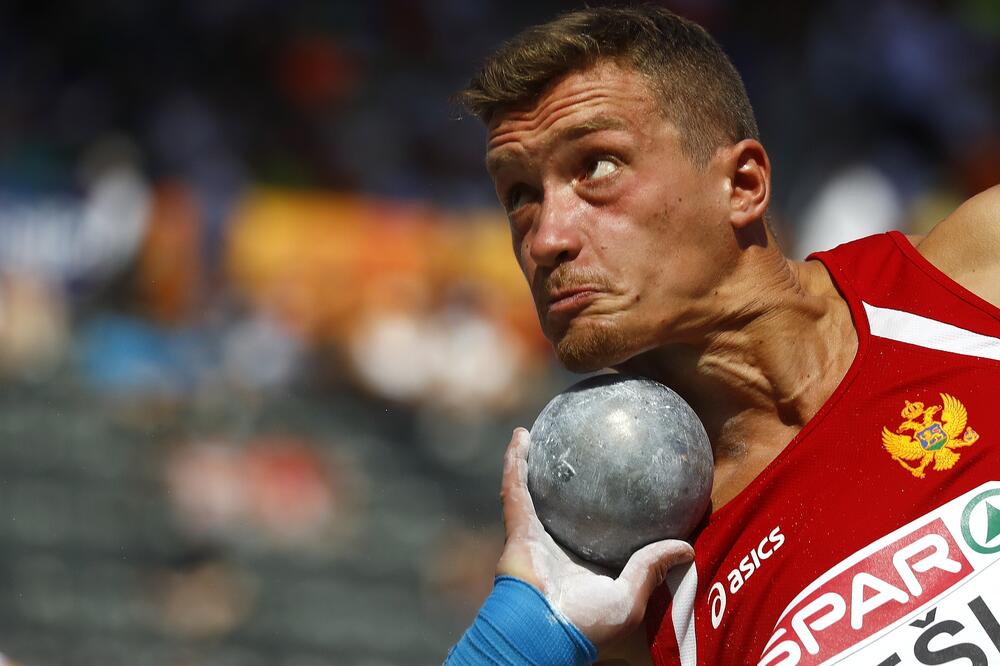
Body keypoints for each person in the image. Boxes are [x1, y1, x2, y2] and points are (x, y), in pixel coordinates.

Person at [448, 5, 1000, 665]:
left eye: (596, 167)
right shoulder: (639, 593)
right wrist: (513, 648)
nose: (547, 238)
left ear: (742, 185)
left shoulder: (974, 284)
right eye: (519, 196)